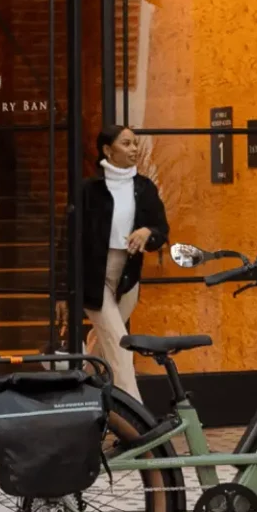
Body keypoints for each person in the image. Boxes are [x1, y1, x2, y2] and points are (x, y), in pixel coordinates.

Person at [82, 125, 169, 400]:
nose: (134, 149)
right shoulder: (90, 190)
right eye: (126, 144)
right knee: (120, 345)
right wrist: (62, 291)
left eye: (135, 144)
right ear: (108, 150)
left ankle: (80, 384)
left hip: (129, 276)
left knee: (104, 339)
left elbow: (161, 230)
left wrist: (147, 232)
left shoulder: (144, 188)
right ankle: (136, 415)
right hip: (96, 275)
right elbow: (70, 240)